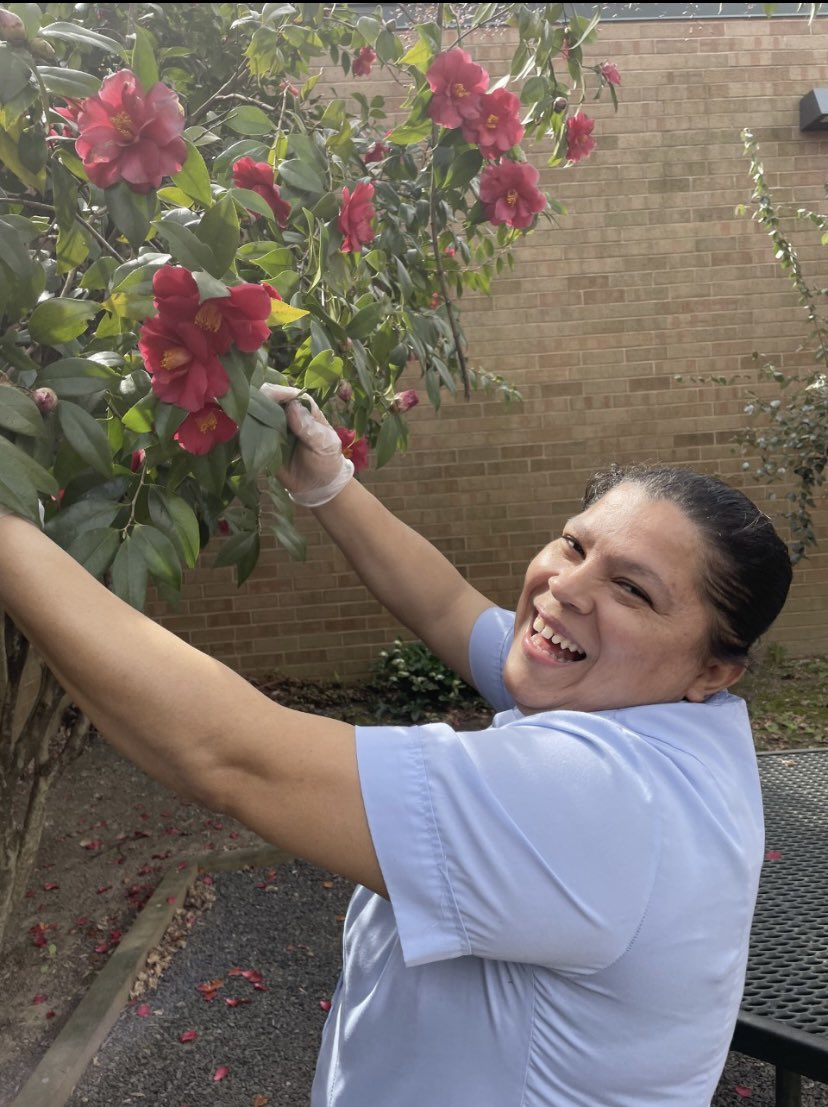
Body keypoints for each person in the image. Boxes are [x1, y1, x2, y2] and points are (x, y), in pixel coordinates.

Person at [0, 388, 793, 1107]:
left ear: (715, 666)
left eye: (633, 589)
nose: (566, 590)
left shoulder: (599, 803)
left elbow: (228, 754)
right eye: (575, 545)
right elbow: (451, 606)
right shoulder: (673, 714)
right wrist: (328, 479)